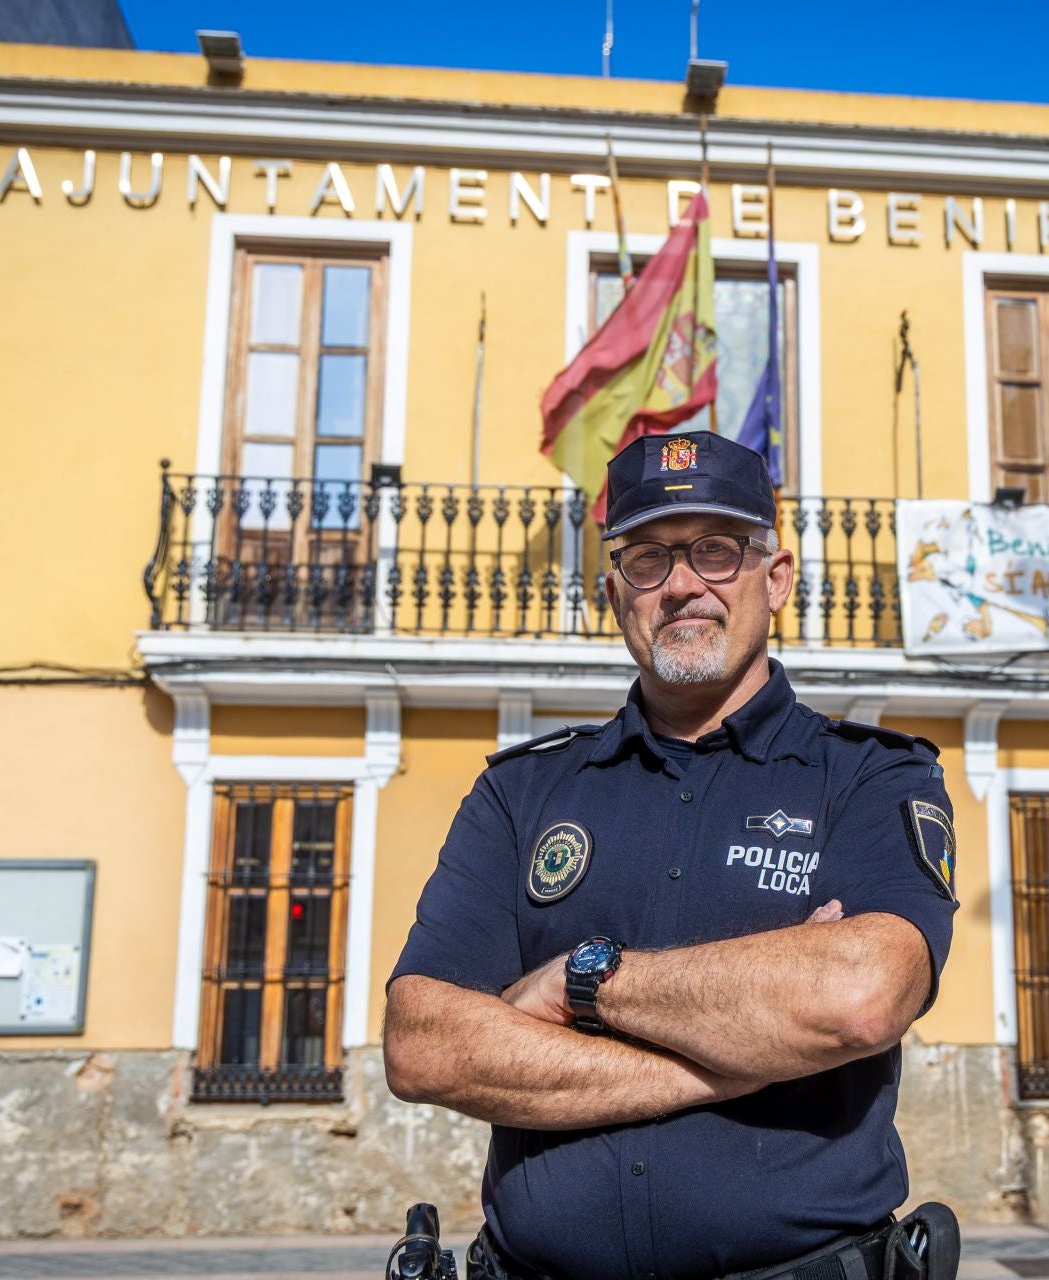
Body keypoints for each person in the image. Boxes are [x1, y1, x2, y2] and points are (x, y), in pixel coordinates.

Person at [384, 430, 959, 1280]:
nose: (683, 584)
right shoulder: (521, 794)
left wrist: (582, 981)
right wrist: (736, 1063)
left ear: (778, 578)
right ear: (616, 593)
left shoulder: (870, 778)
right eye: (648, 557)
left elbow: (860, 998)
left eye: (717, 551)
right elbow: (424, 1043)